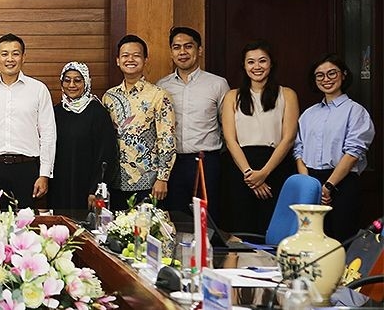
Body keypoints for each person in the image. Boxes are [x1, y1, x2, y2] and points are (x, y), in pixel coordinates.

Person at [0, 33, 56, 208]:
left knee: (25, 228)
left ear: (24, 57)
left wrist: (44, 174)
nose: (10, 59)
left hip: (27, 169)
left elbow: (48, 134)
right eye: (4, 54)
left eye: (15, 53)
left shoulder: (38, 90)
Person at [294, 54, 374, 241]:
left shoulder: (355, 111)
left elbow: (353, 152)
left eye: (332, 73)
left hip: (342, 183)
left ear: (343, 75)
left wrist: (328, 186)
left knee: (342, 239)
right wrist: (309, 185)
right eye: (320, 75)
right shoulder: (308, 114)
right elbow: (298, 149)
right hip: (312, 181)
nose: (326, 79)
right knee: (311, 240)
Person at [221, 40, 298, 235]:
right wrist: (250, 174)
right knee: (241, 227)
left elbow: (288, 138)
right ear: (244, 66)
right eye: (251, 62)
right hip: (241, 168)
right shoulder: (232, 96)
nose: (257, 67)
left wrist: (264, 173)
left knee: (272, 227)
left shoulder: (287, 94)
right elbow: (230, 140)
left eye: (262, 61)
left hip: (275, 166)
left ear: (271, 64)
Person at [157, 27, 229, 217]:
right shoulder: (162, 86)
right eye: (177, 47)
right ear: (171, 52)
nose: (182, 52)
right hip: (173, 164)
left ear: (199, 50)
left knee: (207, 219)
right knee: (175, 218)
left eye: (188, 46)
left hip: (206, 162)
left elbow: (227, 126)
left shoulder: (218, 84)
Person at [102, 34, 176, 210]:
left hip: (148, 182)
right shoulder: (109, 97)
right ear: (118, 61)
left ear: (145, 60)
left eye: (136, 55)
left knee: (146, 233)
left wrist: (162, 178)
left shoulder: (159, 95)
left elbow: (167, 138)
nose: (130, 59)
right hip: (114, 181)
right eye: (125, 55)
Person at [50, 61, 118, 210]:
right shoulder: (55, 112)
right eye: (67, 80)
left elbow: (106, 154)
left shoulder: (98, 113)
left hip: (87, 187)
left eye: (78, 80)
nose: (71, 85)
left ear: (86, 82)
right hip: (60, 186)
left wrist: (95, 189)